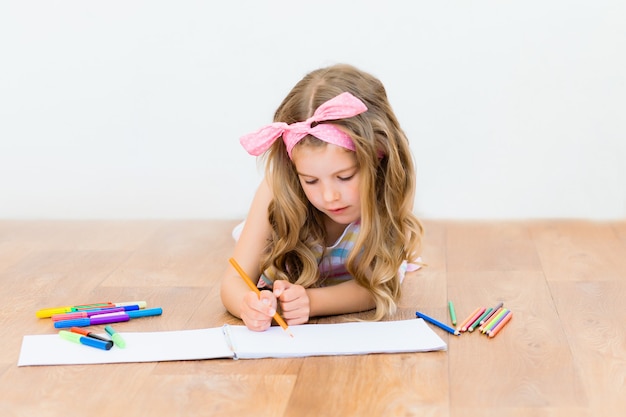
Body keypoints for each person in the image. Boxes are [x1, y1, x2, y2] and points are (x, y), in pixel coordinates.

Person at [220, 64, 423, 332]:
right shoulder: (276, 193)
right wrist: (249, 304)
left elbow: (379, 288)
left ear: (379, 154)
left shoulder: (383, 198)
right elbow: (234, 280)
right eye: (310, 181)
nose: (329, 197)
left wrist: (311, 302)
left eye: (345, 177)